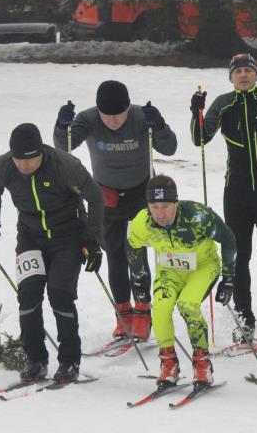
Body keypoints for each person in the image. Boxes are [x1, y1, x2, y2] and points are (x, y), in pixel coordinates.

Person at [54, 80, 177, 342]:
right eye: (106, 116)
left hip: (140, 194)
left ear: (127, 108)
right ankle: (123, 313)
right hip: (105, 197)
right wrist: (61, 126)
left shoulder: (141, 117)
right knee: (115, 255)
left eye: (118, 115)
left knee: (136, 252)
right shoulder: (87, 120)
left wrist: (161, 127)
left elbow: (170, 148)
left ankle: (143, 312)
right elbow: (62, 148)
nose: (112, 121)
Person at [0, 123, 104, 384]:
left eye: (31, 160)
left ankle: (69, 361)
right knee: (28, 296)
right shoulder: (3, 166)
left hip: (67, 236)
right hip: (30, 236)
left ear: (42, 153)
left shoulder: (65, 165)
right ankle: (36, 360)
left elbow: (95, 197)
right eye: (18, 160)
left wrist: (92, 241)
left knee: (60, 295)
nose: (24, 166)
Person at [189, 53, 257, 345]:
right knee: (239, 257)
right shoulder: (224, 103)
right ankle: (244, 318)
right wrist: (196, 112)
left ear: (256, 75)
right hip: (237, 193)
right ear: (231, 77)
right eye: (238, 72)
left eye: (248, 71)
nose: (243, 75)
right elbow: (200, 139)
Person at [125, 176, 233, 389]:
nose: (160, 213)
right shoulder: (142, 222)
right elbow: (132, 246)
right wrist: (139, 280)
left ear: (176, 203)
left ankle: (202, 363)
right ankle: (168, 363)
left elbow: (228, 239)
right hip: (170, 269)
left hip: (202, 267)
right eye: (154, 207)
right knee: (161, 307)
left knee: (187, 305)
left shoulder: (197, 216)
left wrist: (229, 278)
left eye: (166, 206)